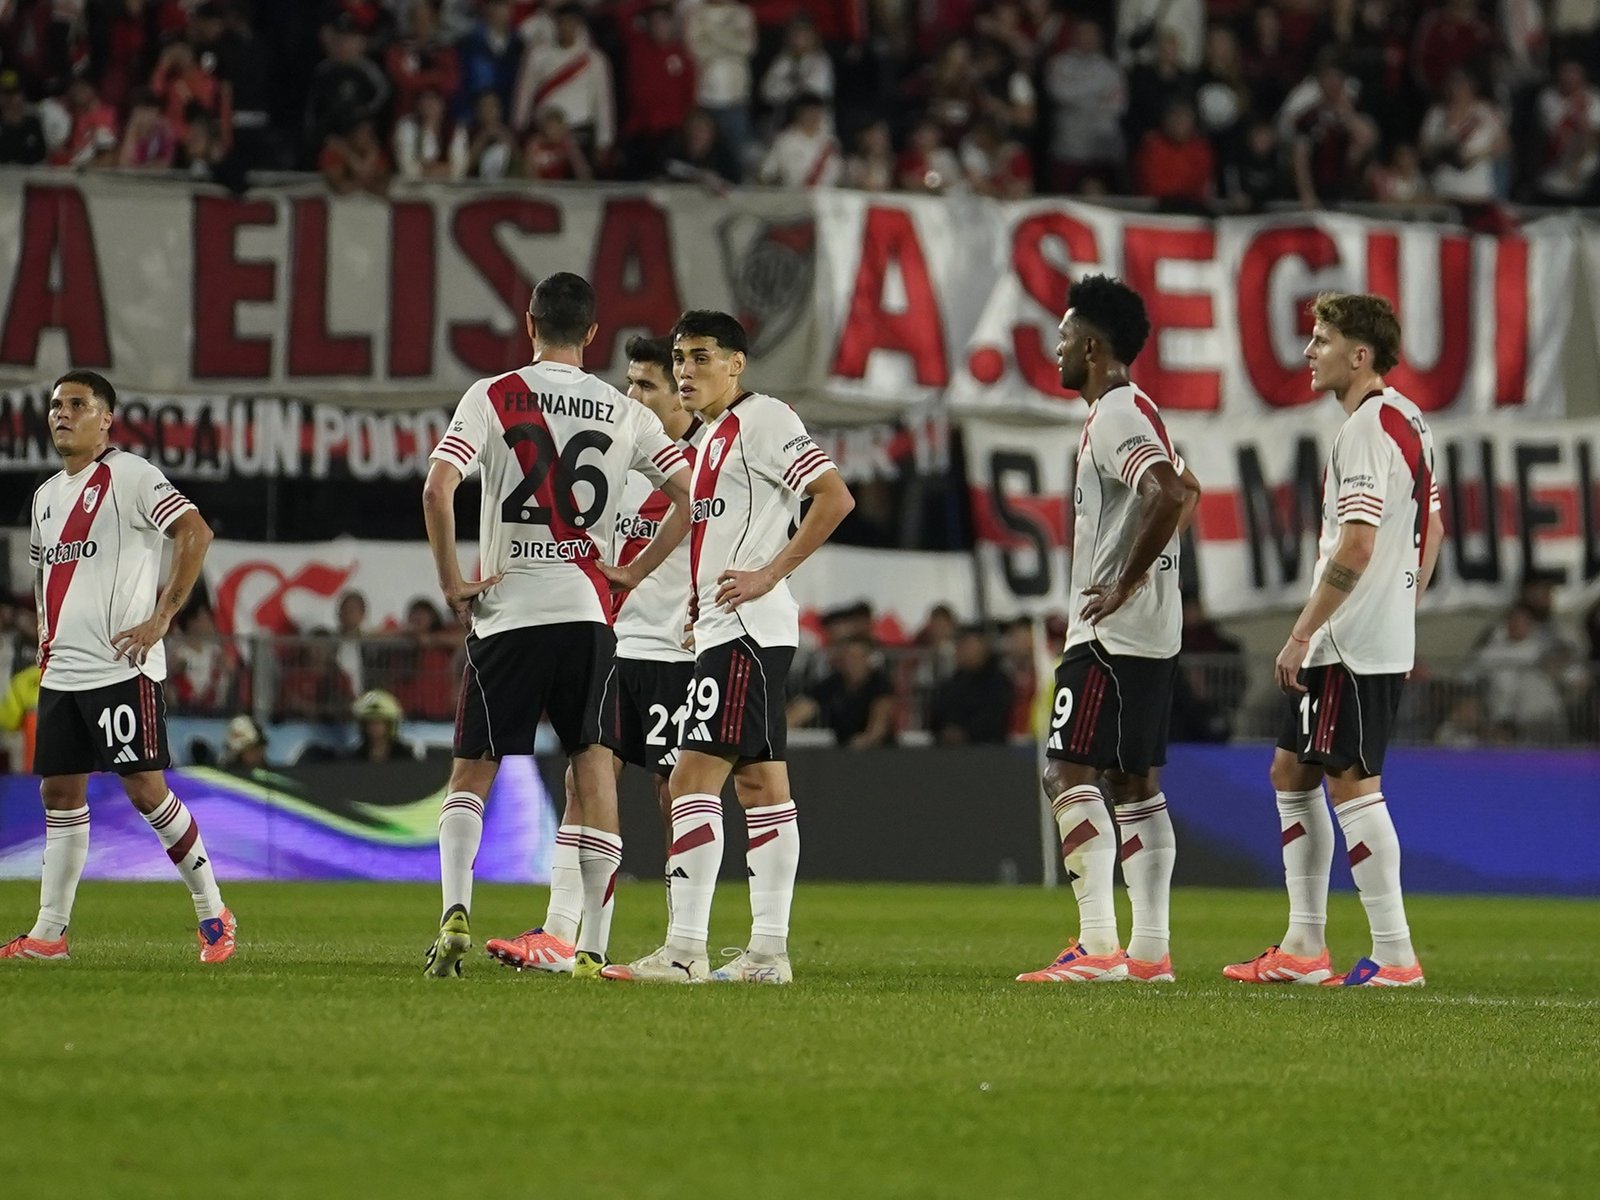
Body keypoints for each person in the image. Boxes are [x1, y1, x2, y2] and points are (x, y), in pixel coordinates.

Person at [420, 272, 692, 980]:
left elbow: (437, 486)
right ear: (593, 333)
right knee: (594, 770)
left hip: (505, 612)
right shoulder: (622, 410)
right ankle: (594, 946)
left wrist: (452, 579)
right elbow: (689, 494)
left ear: (530, 321)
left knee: (471, 772)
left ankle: (455, 910)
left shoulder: (492, 395)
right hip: (583, 615)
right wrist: (630, 572)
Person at [601, 310, 855, 985]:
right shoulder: (710, 437)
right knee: (762, 785)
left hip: (748, 631)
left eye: (702, 357)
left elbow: (833, 497)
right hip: (733, 629)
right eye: (680, 357)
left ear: (737, 363)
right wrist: (699, 601)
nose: (686, 370)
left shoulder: (764, 418)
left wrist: (770, 573)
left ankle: (684, 951)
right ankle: (768, 954)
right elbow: (724, 534)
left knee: (689, 780)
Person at [1225, 292, 1444, 989]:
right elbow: (1432, 529)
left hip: (1347, 641)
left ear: (1359, 354)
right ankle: (1303, 946)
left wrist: (1301, 633)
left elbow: (1355, 542)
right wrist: (1403, 601)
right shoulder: (1410, 419)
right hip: (1373, 630)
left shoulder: (1365, 430)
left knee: (1353, 787)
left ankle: (1396, 954)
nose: (1308, 352)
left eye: (1321, 340)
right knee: (1291, 772)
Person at [4, 370, 235, 964]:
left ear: (105, 419)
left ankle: (214, 912)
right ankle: (50, 934)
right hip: (61, 673)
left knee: (146, 790)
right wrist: (45, 639)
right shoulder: (45, 497)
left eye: (77, 404)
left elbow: (195, 531)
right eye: (55, 404)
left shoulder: (130, 475)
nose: (61, 413)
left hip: (119, 667)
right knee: (59, 793)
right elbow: (43, 579)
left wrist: (164, 617)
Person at [1016, 275, 1201, 986]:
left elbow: (1174, 492)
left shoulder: (1120, 413)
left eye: (1064, 339)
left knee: (1065, 769)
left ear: (1093, 348)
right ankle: (1150, 953)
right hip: (1152, 635)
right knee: (1134, 785)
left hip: (1112, 636)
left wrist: (1121, 580)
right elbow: (1191, 489)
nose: (1056, 350)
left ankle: (1097, 946)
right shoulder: (1141, 411)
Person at [591, 333, 706, 929]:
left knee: (675, 793)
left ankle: (680, 931)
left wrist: (709, 612)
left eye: (645, 385)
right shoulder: (619, 458)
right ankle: (578, 931)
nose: (630, 394)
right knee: (588, 779)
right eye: (628, 382)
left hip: (674, 655)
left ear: (680, 396)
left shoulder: (706, 466)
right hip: (614, 647)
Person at [787, 636, 896, 748]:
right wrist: (781, 731)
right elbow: (804, 707)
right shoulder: (833, 683)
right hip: (843, 750)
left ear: (868, 658)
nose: (850, 662)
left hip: (880, 753)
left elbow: (880, 721)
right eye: (846, 656)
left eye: (856, 657)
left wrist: (865, 740)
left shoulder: (879, 684)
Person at [928, 626, 1012, 745]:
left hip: (988, 750)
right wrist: (945, 731)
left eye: (970, 645)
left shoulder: (998, 682)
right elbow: (936, 714)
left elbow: (995, 717)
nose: (963, 650)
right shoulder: (951, 683)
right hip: (948, 752)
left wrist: (967, 733)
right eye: (961, 645)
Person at [348, 689, 417, 763]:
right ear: (363, 726)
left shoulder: (405, 757)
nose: (374, 727)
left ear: (390, 725)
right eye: (370, 722)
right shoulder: (355, 758)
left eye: (379, 722)